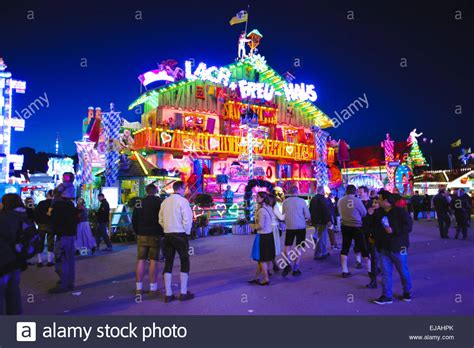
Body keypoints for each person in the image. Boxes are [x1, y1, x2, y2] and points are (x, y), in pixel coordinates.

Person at [371, 190, 413, 305]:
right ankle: (386, 295)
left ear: (386, 201)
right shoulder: (378, 212)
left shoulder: (400, 212)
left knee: (403, 271)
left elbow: (408, 227)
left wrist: (394, 230)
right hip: (383, 248)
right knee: (386, 273)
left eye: (379, 199)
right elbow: (373, 227)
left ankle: (407, 292)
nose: (377, 201)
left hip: (398, 247)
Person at [0, 194, 36, 314]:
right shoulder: (23, 216)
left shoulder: (4, 217)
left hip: (4, 260)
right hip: (16, 260)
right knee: (13, 291)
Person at [159, 181, 194, 302]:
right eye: (184, 188)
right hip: (180, 234)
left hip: (167, 235)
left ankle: (168, 294)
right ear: (180, 189)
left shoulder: (165, 202)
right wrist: (187, 233)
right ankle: (183, 292)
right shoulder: (183, 201)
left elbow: (160, 219)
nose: (185, 190)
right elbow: (188, 219)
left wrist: (167, 228)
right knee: (184, 260)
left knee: (168, 262)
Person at [132, 184, 164, 297]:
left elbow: (134, 219)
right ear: (155, 191)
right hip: (155, 234)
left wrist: (137, 231)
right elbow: (162, 218)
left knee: (140, 259)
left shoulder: (139, 203)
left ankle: (138, 288)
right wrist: (162, 232)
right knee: (153, 261)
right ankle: (153, 288)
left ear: (146, 191)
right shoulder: (159, 202)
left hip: (141, 234)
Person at [48, 192, 79, 293]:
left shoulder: (57, 206)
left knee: (61, 261)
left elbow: (50, 218)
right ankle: (69, 283)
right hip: (71, 236)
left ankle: (63, 284)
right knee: (70, 261)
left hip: (62, 237)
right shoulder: (71, 206)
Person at [337, 185, 368, 278]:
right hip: (356, 226)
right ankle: (370, 269)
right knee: (362, 246)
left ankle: (344, 270)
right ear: (354, 192)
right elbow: (364, 213)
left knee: (345, 247)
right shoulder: (357, 200)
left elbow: (339, 212)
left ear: (346, 191)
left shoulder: (340, 200)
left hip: (345, 226)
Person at [282, 186, 311, 276]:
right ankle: (296, 267)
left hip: (290, 226)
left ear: (290, 192)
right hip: (301, 227)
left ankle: (288, 262)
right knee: (299, 246)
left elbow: (283, 215)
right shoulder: (302, 201)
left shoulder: (285, 202)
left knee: (288, 245)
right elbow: (307, 215)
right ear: (297, 192)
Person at [249, 192, 276, 285]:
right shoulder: (268, 208)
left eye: (258, 197)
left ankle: (265, 279)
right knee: (264, 259)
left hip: (262, 236)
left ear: (262, 198)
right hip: (269, 235)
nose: (256, 198)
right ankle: (257, 277)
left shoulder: (261, 210)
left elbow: (260, 225)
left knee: (261, 259)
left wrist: (252, 226)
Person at [358, 186, 378, 288]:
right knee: (366, 251)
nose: (359, 193)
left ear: (366, 192)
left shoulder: (373, 203)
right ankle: (372, 271)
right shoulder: (357, 202)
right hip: (362, 230)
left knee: (373, 254)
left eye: (361, 192)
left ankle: (373, 274)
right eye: (358, 192)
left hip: (372, 232)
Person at [34, 190, 55, 267]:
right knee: (51, 242)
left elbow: (36, 213)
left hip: (41, 225)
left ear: (47, 195)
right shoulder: (55, 204)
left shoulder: (41, 203)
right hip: (51, 225)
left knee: (40, 242)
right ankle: (50, 261)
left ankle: (40, 261)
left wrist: (37, 222)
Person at [310, 186, 331, 260]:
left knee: (320, 237)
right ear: (322, 191)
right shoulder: (322, 199)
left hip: (315, 221)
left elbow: (310, 210)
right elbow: (326, 210)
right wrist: (329, 220)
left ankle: (322, 252)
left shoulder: (313, 199)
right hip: (322, 221)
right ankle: (320, 253)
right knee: (322, 237)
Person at [268, 194, 283, 273]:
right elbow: (281, 218)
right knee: (272, 248)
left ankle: (273, 265)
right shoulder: (274, 207)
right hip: (273, 228)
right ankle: (268, 268)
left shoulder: (265, 207)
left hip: (266, 228)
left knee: (269, 247)